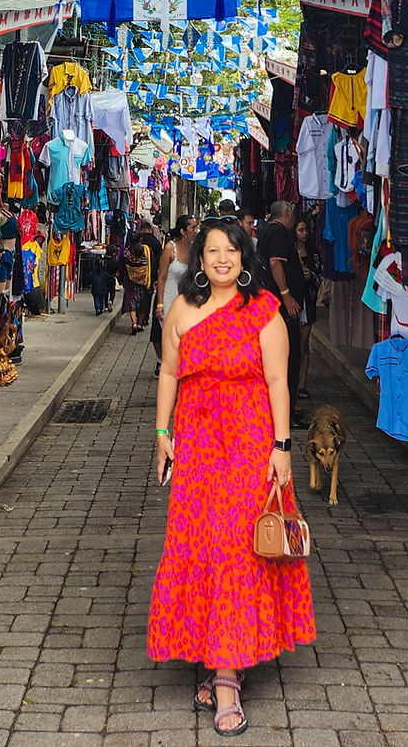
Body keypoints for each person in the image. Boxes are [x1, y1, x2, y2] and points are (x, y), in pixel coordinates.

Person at [148, 221, 315, 734]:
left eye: (231, 251)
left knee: (237, 551)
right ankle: (218, 653)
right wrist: (161, 434)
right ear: (199, 259)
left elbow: (277, 382)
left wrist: (283, 448)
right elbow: (170, 373)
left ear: (244, 258)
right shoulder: (182, 310)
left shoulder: (264, 311)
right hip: (198, 448)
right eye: (213, 251)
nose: (222, 259)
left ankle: (225, 677)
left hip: (248, 447)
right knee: (201, 548)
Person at [256, 201, 307, 426]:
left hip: (272, 304)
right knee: (289, 357)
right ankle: (283, 415)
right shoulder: (278, 232)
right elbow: (275, 263)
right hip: (280, 306)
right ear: (287, 213)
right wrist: (286, 294)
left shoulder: (267, 230)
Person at [152, 215, 198, 371]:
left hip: (186, 301)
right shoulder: (170, 249)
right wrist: (159, 303)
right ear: (183, 231)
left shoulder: (194, 250)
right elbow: (162, 277)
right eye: (192, 228)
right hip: (168, 299)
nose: (195, 231)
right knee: (172, 339)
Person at [295, 217, 322, 401]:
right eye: (300, 230)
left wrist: (309, 275)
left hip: (308, 302)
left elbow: (319, 276)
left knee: (304, 345)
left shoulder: (313, 253)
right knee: (293, 346)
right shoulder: (288, 252)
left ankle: (302, 384)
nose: (304, 234)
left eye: (306, 230)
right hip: (293, 302)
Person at [120, 239, 152, 333]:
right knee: (143, 303)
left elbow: (122, 265)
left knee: (131, 303)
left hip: (130, 283)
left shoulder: (127, 254)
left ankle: (134, 322)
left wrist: (121, 278)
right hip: (143, 283)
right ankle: (140, 323)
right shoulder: (145, 255)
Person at [88, 252, 110, 316]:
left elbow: (89, 279)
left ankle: (97, 308)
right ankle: (101, 308)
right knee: (101, 299)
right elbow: (109, 278)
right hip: (103, 288)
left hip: (95, 288)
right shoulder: (104, 274)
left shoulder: (93, 274)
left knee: (96, 299)